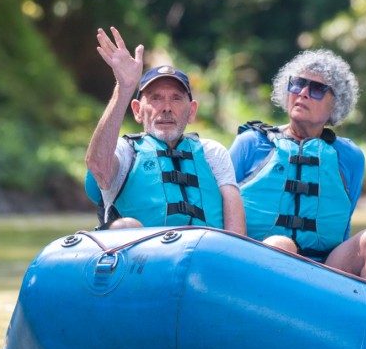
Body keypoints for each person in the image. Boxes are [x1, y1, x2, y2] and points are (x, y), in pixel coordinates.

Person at [230, 49, 366, 284]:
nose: (303, 93)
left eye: (317, 89)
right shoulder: (251, 144)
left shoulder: (350, 157)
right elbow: (219, 211)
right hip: (257, 263)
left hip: (325, 269)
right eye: (298, 84)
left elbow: (343, 220)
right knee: (282, 244)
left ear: (336, 104)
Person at [83, 27, 245, 233]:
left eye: (176, 98)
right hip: (143, 252)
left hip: (205, 250)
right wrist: (124, 89)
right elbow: (97, 166)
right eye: (156, 98)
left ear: (192, 111)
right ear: (137, 110)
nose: (166, 108)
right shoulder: (125, 152)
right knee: (126, 225)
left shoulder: (213, 153)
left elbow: (236, 231)